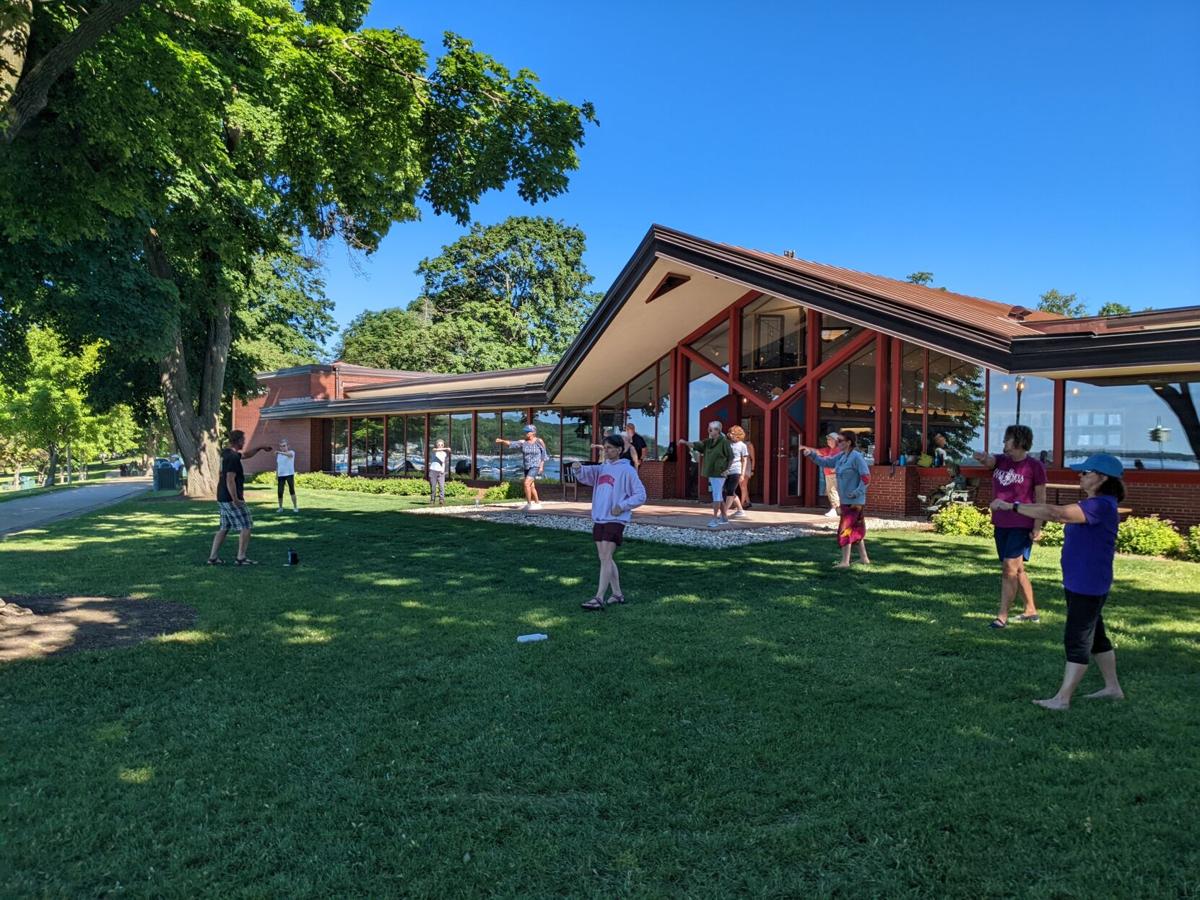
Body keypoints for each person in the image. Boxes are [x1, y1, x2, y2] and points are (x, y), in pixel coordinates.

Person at [990, 453, 1126, 710]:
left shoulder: (1100, 506)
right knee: (1096, 636)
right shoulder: (1096, 503)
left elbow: (1057, 513)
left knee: (1078, 638)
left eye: (1086, 472)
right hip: (1081, 581)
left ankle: (1062, 699)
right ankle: (1112, 688)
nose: (1080, 475)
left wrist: (1013, 506)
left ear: (1102, 478)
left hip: (1088, 583)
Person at [972, 424, 1047, 629]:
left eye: (1007, 439)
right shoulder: (1001, 461)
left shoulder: (1034, 467)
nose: (1004, 442)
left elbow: (1041, 498)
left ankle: (1002, 617)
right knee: (1017, 569)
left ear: (1019, 441)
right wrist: (981, 457)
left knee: (1008, 569)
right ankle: (1031, 610)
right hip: (1001, 523)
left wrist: (1038, 525)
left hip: (1022, 523)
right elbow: (990, 461)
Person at [571, 434, 648, 611]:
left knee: (605, 557)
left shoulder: (627, 471)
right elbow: (586, 476)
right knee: (605, 557)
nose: (606, 451)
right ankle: (617, 594)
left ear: (619, 450)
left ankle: (598, 597)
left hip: (616, 520)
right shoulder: (602, 468)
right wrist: (577, 468)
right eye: (605, 448)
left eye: (610, 448)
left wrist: (622, 506)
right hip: (600, 517)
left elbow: (641, 495)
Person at [800, 431, 871, 568]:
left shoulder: (856, 457)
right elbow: (826, 462)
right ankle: (864, 558)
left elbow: (866, 477)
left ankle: (845, 562)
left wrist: (857, 492)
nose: (838, 443)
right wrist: (811, 454)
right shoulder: (842, 456)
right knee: (855, 528)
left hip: (854, 501)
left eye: (840, 441)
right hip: (846, 500)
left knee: (845, 529)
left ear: (849, 442)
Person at [207, 430, 272, 566]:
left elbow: (246, 455)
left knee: (224, 527)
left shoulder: (227, 453)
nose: (245, 442)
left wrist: (260, 447)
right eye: (243, 439)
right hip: (230, 498)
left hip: (222, 497)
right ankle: (241, 558)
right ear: (238, 441)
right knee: (246, 525)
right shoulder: (233, 458)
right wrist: (236, 499)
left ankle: (213, 558)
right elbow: (230, 479)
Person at [678, 421, 733, 528]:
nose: (709, 431)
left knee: (716, 495)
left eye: (711, 429)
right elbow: (696, 445)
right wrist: (684, 442)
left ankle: (714, 519)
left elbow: (731, 457)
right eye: (709, 429)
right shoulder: (709, 442)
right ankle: (724, 517)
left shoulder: (724, 442)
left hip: (719, 472)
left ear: (717, 430)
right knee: (719, 494)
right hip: (712, 472)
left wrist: (727, 470)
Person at [495, 425, 549, 511]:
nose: (526, 433)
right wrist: (502, 441)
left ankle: (529, 504)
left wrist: (541, 466)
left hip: (535, 466)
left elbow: (543, 455)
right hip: (527, 466)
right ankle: (538, 503)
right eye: (525, 431)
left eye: (528, 431)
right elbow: (511, 443)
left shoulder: (539, 441)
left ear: (533, 433)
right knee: (531, 486)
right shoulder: (523, 442)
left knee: (526, 483)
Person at [725, 425, 750, 519]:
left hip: (736, 470)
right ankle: (740, 510)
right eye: (730, 433)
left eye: (732, 433)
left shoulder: (742, 445)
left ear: (738, 435)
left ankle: (724, 512)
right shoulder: (727, 444)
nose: (730, 435)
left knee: (730, 491)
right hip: (727, 471)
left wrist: (742, 474)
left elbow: (744, 460)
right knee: (729, 490)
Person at [732, 426, 756, 510]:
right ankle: (748, 502)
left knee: (743, 485)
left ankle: (741, 505)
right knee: (741, 485)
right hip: (738, 465)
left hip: (746, 465)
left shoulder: (749, 444)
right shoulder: (736, 444)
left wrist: (752, 469)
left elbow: (753, 458)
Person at [818, 432, 842, 517]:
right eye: (827, 439)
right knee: (832, 491)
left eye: (830, 439)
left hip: (834, 474)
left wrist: (835, 469)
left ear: (836, 441)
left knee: (832, 491)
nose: (828, 441)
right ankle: (838, 510)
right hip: (829, 474)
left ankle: (834, 510)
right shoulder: (830, 450)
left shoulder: (839, 450)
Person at [275, 439, 298, 512]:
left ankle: (295, 507)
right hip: (281, 475)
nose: (282, 447)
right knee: (280, 491)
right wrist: (276, 474)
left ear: (288, 446)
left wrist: (279, 452)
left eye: (284, 446)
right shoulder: (279, 455)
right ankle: (280, 508)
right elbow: (278, 465)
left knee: (292, 490)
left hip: (289, 474)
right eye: (281, 446)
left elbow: (289, 455)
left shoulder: (291, 452)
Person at [428, 439, 450, 505]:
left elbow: (444, 463)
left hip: (441, 472)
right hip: (433, 471)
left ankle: (441, 499)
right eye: (439, 445)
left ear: (443, 445)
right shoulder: (434, 452)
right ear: (437, 445)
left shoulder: (444, 454)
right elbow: (434, 449)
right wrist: (446, 448)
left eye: (442, 445)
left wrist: (443, 471)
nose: (440, 446)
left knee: (441, 486)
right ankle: (432, 499)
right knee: (433, 487)